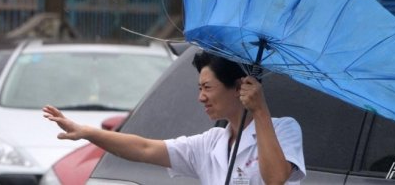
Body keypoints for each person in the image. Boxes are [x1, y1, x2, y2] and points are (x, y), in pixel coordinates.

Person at [43, 51, 306, 185]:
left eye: (208, 88)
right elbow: (144, 149)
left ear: (238, 87)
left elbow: (275, 179)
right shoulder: (210, 144)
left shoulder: (284, 130)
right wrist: (88, 132)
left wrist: (260, 111)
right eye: (199, 89)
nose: (201, 97)